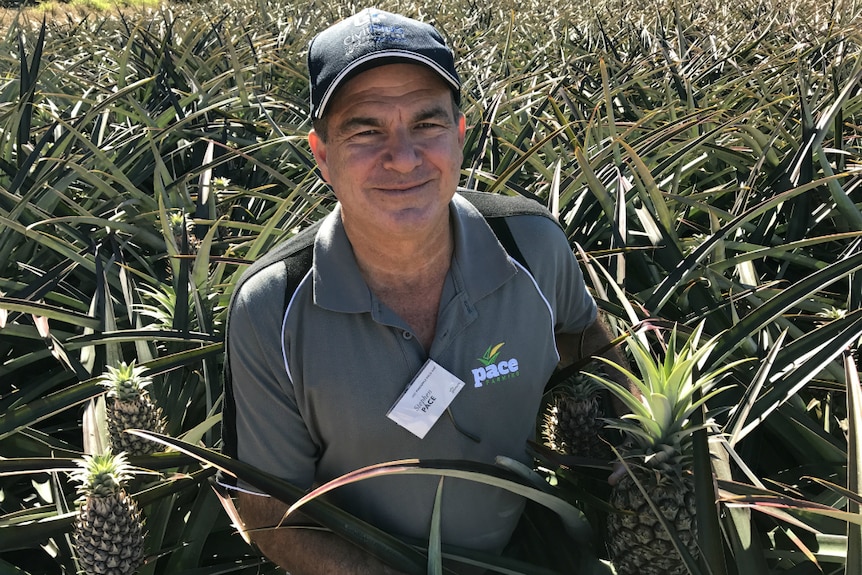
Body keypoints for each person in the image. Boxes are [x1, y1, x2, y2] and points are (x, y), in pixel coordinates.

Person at [221, 8, 629, 574]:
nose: (404, 156)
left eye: (427, 123)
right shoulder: (271, 305)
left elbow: (588, 341)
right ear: (322, 156)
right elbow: (266, 508)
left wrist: (635, 428)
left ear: (459, 137)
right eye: (366, 129)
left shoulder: (533, 245)